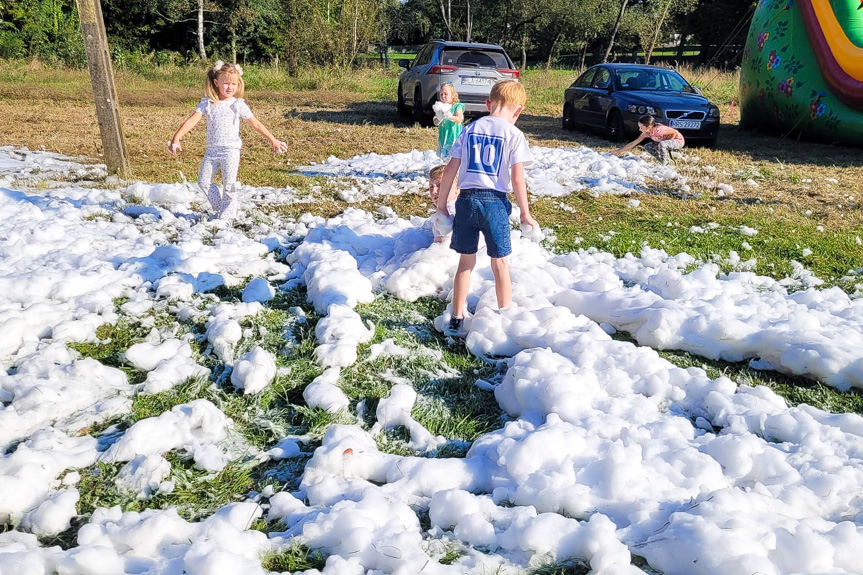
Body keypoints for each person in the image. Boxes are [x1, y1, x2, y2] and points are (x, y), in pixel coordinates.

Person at [435, 79, 538, 336]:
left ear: (487, 103)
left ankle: (457, 317)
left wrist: (441, 205)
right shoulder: (514, 135)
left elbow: (450, 171)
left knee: (465, 262)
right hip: (495, 203)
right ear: (519, 110)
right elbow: (517, 179)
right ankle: (505, 315)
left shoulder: (469, 130)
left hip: (466, 201)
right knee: (500, 263)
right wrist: (525, 213)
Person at [168, 60, 287, 220]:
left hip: (230, 151)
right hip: (212, 151)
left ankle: (226, 218)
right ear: (217, 82)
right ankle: (222, 208)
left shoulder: (237, 104)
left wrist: (273, 140)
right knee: (203, 182)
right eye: (226, 83)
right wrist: (177, 137)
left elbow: (256, 124)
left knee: (229, 186)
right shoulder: (207, 103)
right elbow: (191, 121)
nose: (230, 87)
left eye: (234, 84)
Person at [611, 114, 684, 164]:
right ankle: (662, 160)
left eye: (641, 127)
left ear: (648, 127)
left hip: (678, 141)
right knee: (647, 146)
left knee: (662, 144)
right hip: (665, 143)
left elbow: (674, 132)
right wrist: (618, 151)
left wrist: (667, 143)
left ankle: (666, 163)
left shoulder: (659, 130)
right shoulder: (646, 133)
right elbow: (634, 143)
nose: (640, 129)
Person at [432, 82, 465, 159]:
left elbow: (459, 119)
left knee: (453, 156)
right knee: (443, 157)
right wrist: (439, 118)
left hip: (454, 136)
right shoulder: (440, 107)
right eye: (441, 94)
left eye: (446, 94)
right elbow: (435, 122)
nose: (443, 96)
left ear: (452, 95)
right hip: (444, 136)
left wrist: (450, 116)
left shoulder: (457, 106)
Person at [428, 164, 459, 241]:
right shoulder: (463, 207)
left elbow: (441, 247)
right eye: (431, 187)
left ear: (457, 188)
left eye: (440, 185)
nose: (434, 191)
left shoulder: (448, 212)